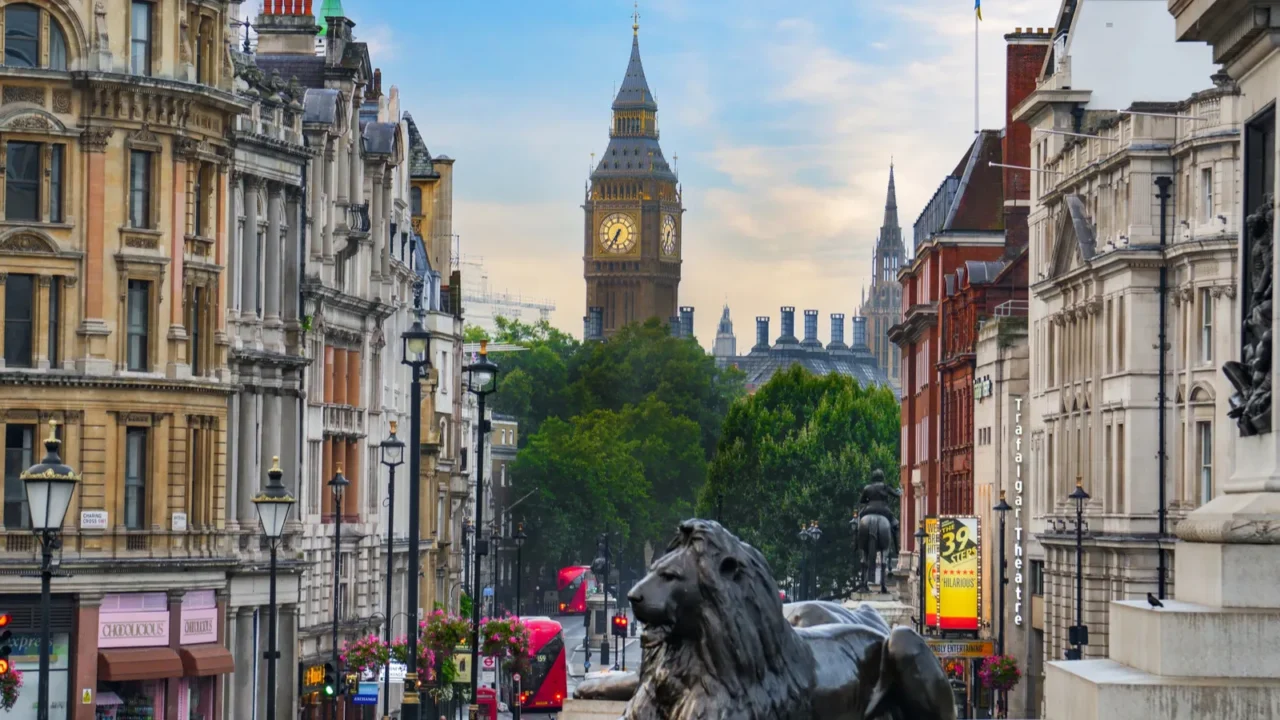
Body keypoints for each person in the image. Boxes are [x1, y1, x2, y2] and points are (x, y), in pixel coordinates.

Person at [856, 469, 901, 550]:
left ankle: (856, 543)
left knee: (857, 522)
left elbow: (862, 501)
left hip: (868, 509)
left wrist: (869, 500)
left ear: (873, 477)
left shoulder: (867, 488)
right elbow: (896, 495)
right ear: (882, 477)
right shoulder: (886, 487)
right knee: (895, 525)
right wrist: (899, 492)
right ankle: (897, 547)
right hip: (884, 510)